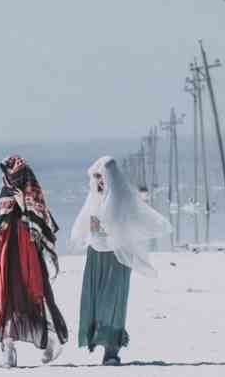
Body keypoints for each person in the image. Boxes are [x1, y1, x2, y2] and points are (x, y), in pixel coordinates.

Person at [71, 156, 171, 366]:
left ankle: (112, 351)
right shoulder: (95, 198)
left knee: (113, 302)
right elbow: (90, 226)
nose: (99, 181)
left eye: (103, 177)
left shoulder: (122, 198)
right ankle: (98, 341)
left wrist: (111, 231)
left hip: (118, 256)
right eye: (96, 177)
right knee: (96, 300)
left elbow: (130, 225)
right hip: (96, 255)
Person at [0, 155, 68, 368]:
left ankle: (49, 342)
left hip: (26, 250)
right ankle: (8, 352)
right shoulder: (4, 191)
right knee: (4, 296)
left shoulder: (32, 191)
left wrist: (24, 205)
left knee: (33, 295)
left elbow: (43, 221)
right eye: (5, 171)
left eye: (9, 171)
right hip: (6, 250)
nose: (6, 176)